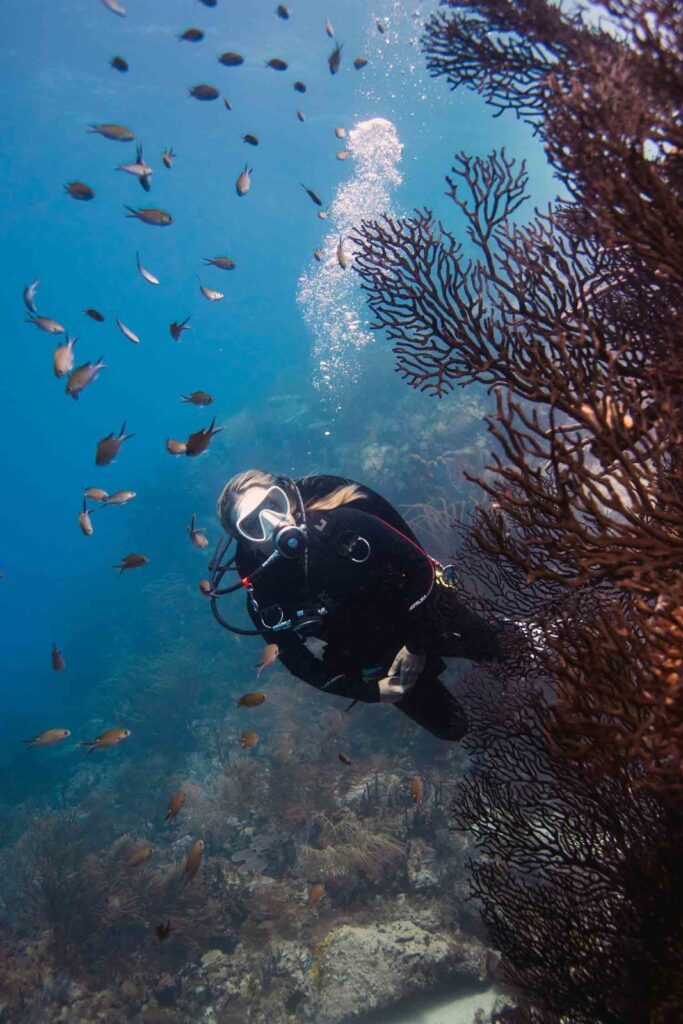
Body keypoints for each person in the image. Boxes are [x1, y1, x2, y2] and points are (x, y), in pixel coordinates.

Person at [210, 471, 505, 741]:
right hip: (375, 656)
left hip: (423, 613)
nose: (273, 522)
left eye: (273, 504)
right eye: (252, 525)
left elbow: (419, 568)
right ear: (246, 541)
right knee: (452, 728)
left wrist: (417, 644)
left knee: (507, 649)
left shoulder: (340, 523)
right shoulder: (265, 596)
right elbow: (301, 665)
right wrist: (371, 692)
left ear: (285, 497)